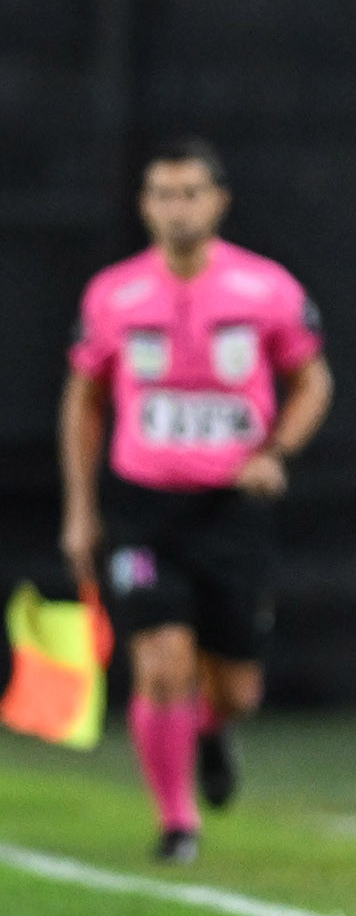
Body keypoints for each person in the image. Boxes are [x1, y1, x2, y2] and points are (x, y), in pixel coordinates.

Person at [60, 138, 333, 862]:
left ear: (218, 202)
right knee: (161, 664)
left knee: (238, 688)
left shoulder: (266, 288)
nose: (175, 207)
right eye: (160, 194)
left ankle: (213, 730)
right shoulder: (113, 294)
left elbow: (312, 381)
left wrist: (274, 454)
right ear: (144, 205)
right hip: (144, 509)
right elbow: (83, 401)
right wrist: (81, 510)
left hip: (231, 514)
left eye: (189, 193)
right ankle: (177, 821)